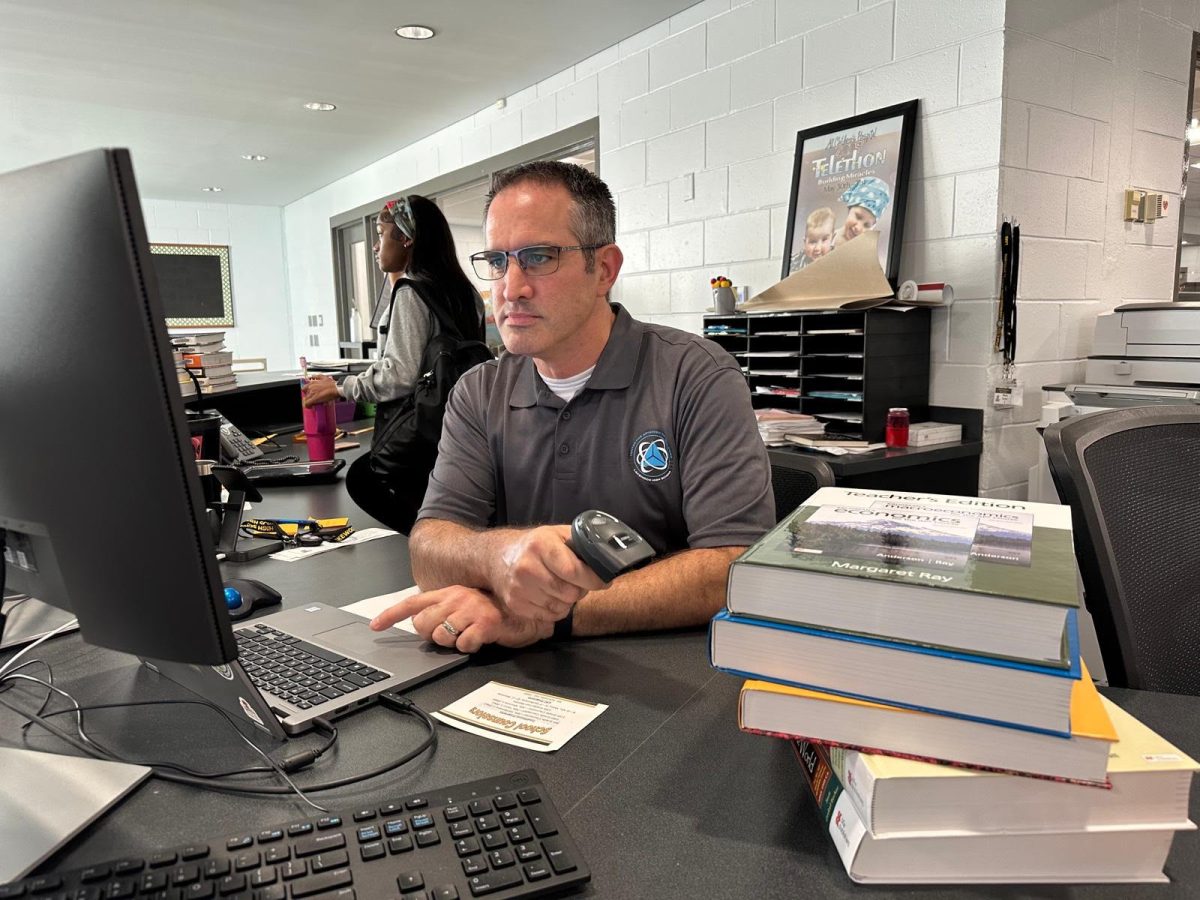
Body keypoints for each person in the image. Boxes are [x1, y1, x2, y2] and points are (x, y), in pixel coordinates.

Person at [368, 161, 775, 653]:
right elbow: (430, 546)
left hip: (664, 678)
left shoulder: (697, 376)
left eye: (538, 257)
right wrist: (499, 554)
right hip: (516, 672)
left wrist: (545, 615)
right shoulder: (479, 391)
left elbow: (732, 565)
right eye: (498, 261)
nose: (510, 288)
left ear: (603, 269)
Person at [303, 195, 484, 534]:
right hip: (459, 430)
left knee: (365, 481)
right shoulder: (464, 292)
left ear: (406, 238)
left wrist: (340, 387)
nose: (375, 245)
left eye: (382, 233)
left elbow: (398, 377)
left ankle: (431, 549)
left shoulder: (412, 292)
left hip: (417, 433)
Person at [834, 176, 891, 247]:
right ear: (849, 208)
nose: (858, 228)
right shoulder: (827, 239)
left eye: (867, 225)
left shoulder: (862, 251)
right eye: (858, 217)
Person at [788, 206, 836, 273]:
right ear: (805, 242)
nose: (817, 248)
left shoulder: (836, 259)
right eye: (812, 242)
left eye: (824, 240)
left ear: (832, 239)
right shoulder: (797, 261)